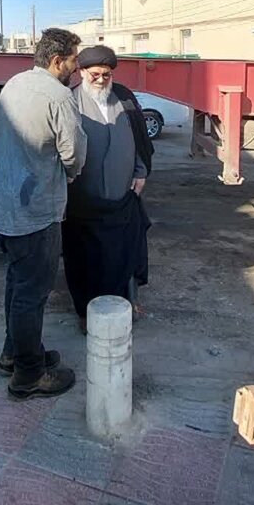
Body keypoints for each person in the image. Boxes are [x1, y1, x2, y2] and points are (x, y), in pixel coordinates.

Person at [0, 27, 87, 399]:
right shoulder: (58, 95)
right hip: (33, 212)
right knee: (31, 293)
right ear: (57, 61)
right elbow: (74, 153)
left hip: (0, 207)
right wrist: (70, 174)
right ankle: (28, 376)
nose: (77, 69)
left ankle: (14, 353)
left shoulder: (15, 83)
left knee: (17, 282)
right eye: (74, 61)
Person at [64, 45, 154, 334]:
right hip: (83, 202)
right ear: (81, 72)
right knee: (85, 259)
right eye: (95, 74)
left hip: (120, 198)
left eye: (107, 74)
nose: (102, 80)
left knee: (121, 254)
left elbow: (140, 139)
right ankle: (86, 312)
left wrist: (140, 170)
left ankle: (124, 303)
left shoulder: (124, 98)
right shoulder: (69, 101)